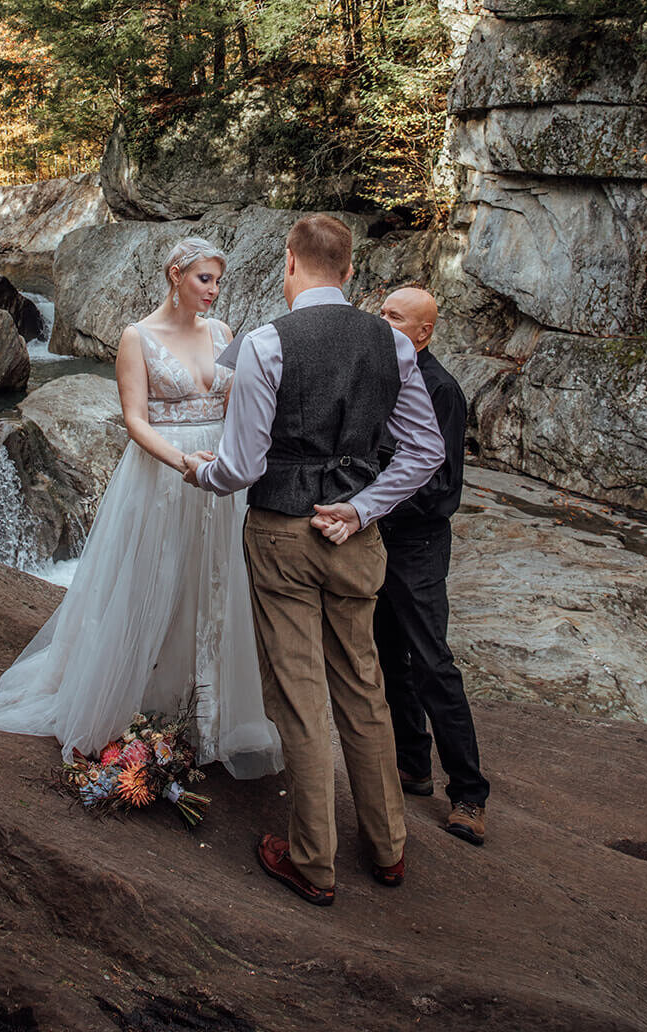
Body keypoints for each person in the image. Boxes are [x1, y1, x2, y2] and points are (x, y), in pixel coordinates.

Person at [184, 214, 445, 905]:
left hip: (280, 532)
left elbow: (240, 465)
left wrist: (199, 474)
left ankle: (313, 861)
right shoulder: (390, 340)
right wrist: (362, 508)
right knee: (362, 685)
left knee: (299, 698)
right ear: (351, 271)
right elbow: (425, 451)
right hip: (351, 535)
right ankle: (387, 848)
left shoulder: (265, 341)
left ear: (288, 265)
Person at [0, 236, 283, 780]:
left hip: (220, 476)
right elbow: (136, 422)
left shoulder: (224, 333)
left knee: (214, 582)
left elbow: (235, 408)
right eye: (203, 279)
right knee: (153, 576)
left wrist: (232, 460)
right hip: (163, 474)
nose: (212, 291)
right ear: (175, 273)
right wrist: (185, 461)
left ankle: (206, 710)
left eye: (217, 282)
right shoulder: (137, 337)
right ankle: (132, 698)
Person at [373, 287, 489, 845]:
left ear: (424, 333)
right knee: (386, 655)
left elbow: (439, 484)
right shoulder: (379, 371)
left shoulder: (440, 388)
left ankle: (468, 793)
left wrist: (371, 499)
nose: (384, 322)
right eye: (382, 313)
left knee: (432, 664)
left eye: (396, 318)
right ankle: (413, 764)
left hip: (416, 544)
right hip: (374, 536)